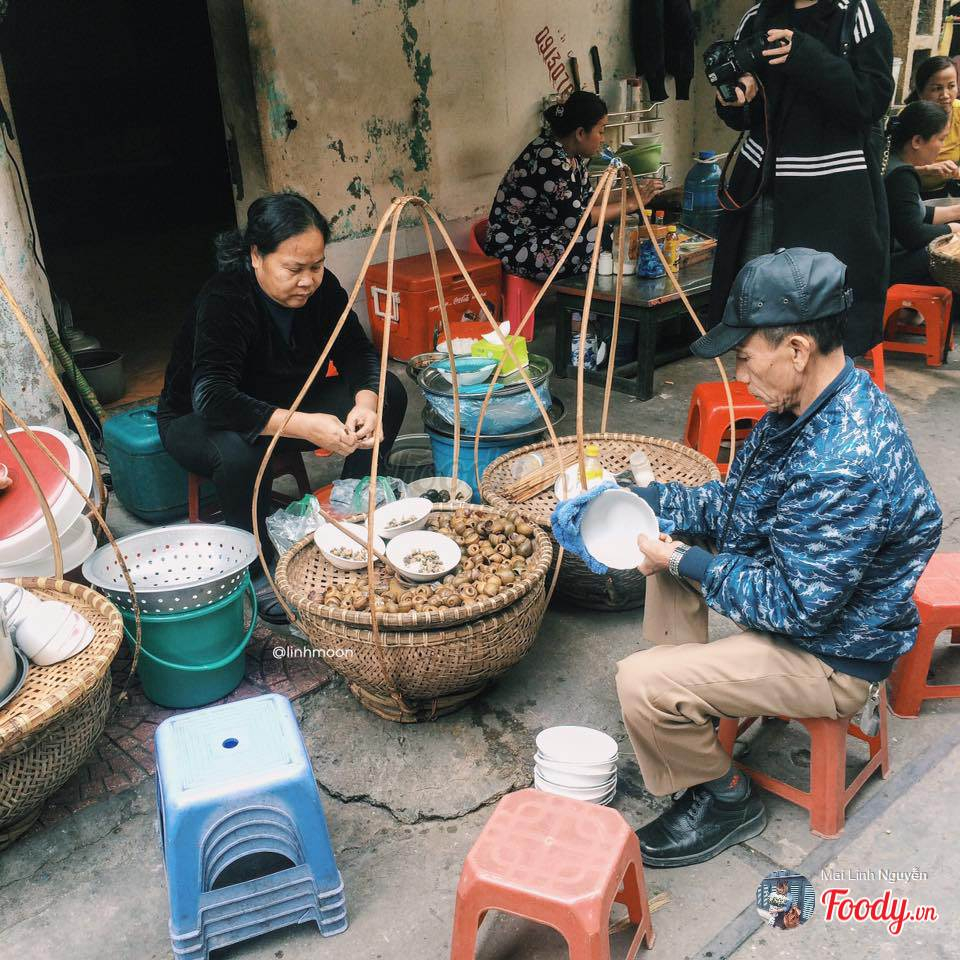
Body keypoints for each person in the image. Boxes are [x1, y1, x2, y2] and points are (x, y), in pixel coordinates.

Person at [615, 248, 942, 868]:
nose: (738, 372)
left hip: (832, 653)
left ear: (795, 350)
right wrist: (652, 503)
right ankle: (687, 710)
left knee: (637, 679)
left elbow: (798, 608)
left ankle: (724, 794)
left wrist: (684, 558)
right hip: (807, 604)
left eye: (743, 355)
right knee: (666, 556)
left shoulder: (844, 460)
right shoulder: (802, 406)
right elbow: (740, 505)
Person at [157, 191, 407, 621]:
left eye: (316, 265)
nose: (308, 280)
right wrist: (305, 426)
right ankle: (256, 566)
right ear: (257, 256)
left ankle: (352, 509)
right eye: (293, 268)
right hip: (197, 419)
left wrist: (366, 403)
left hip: (284, 398)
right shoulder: (226, 297)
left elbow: (357, 353)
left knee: (391, 391)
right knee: (240, 449)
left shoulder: (322, 289)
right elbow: (213, 397)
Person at [711, 0, 894, 358]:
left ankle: (819, 409)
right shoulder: (758, 16)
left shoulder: (855, 14)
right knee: (755, 323)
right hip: (761, 195)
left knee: (821, 334)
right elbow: (745, 115)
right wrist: (736, 98)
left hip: (832, 200)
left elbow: (871, 100)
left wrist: (807, 56)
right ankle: (762, 409)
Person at [483, 91, 661, 282]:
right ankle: (591, 303)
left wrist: (630, 194)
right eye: (601, 131)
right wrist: (630, 204)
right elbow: (577, 220)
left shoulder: (571, 156)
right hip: (516, 248)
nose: (603, 139)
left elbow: (587, 199)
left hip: (546, 236)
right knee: (605, 238)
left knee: (616, 230)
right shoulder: (549, 157)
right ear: (580, 133)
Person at [885, 101, 960, 289]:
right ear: (917, 141)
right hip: (888, 267)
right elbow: (913, 234)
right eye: (940, 139)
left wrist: (957, 212)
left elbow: (914, 213)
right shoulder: (901, 176)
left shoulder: (894, 164)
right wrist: (953, 230)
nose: (942, 147)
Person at [905, 56, 960, 197]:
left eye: (951, 86)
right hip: (907, 191)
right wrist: (927, 170)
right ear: (920, 91)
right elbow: (889, 169)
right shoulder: (907, 119)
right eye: (937, 89)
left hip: (946, 190)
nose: (945, 95)